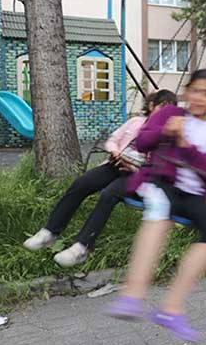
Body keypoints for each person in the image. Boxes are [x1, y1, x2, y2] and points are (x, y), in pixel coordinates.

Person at [105, 69, 206, 342]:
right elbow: (142, 142)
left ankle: (171, 309)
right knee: (160, 212)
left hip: (193, 195)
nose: (200, 98)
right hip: (161, 183)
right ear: (187, 92)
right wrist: (166, 130)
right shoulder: (169, 113)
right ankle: (132, 295)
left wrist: (185, 145)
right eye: (196, 91)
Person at [23, 90, 177, 267]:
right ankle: (49, 232)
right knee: (82, 183)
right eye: (161, 107)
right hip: (116, 163)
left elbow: (158, 167)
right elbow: (113, 140)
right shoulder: (136, 122)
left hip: (138, 175)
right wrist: (115, 151)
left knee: (109, 194)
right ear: (151, 106)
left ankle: (82, 247)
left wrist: (133, 167)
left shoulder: (167, 136)